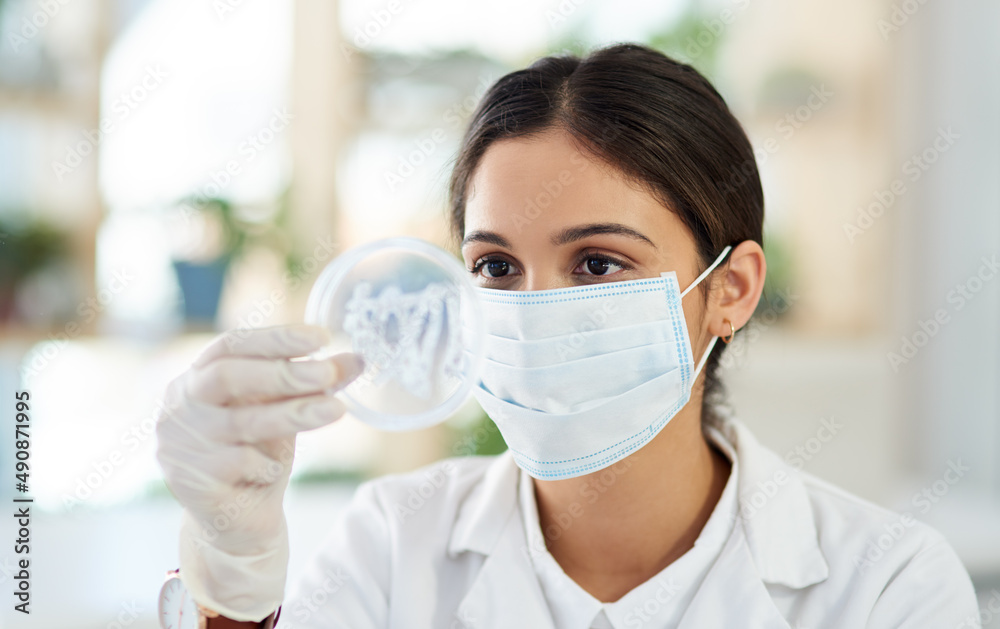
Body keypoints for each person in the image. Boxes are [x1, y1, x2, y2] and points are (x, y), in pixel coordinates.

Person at [155, 43, 979, 628]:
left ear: (730, 290)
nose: (533, 308)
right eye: (496, 268)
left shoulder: (887, 586)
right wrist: (234, 577)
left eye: (595, 264)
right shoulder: (393, 541)